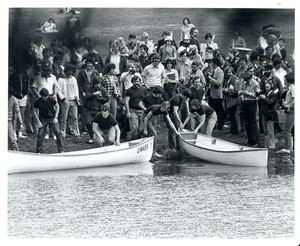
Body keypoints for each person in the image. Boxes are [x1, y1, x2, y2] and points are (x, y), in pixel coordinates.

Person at [33, 88, 64, 153]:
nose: (45, 98)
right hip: (43, 119)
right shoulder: (37, 101)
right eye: (44, 96)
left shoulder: (51, 99)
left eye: (46, 96)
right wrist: (38, 121)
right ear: (41, 96)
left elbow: (57, 106)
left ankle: (61, 151)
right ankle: (39, 151)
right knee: (40, 135)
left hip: (52, 118)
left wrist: (56, 117)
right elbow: (34, 111)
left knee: (58, 133)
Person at [57, 64, 80, 138]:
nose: (70, 72)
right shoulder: (61, 79)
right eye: (69, 70)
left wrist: (77, 98)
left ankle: (76, 132)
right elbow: (58, 90)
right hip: (65, 100)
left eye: (71, 71)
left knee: (75, 117)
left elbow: (76, 89)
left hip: (73, 100)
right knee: (64, 117)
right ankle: (62, 133)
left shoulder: (73, 79)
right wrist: (62, 98)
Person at [84, 77, 109, 144]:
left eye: (99, 84)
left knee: (98, 124)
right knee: (88, 123)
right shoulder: (89, 88)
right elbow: (86, 97)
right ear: (94, 84)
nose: (98, 85)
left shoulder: (103, 89)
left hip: (98, 110)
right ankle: (91, 136)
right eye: (97, 84)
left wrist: (101, 98)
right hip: (90, 109)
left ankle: (99, 136)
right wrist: (94, 94)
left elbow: (106, 99)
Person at [238, 71, 260, 147]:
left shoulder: (255, 84)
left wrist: (247, 93)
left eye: (247, 80)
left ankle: (256, 141)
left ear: (250, 78)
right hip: (245, 102)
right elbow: (239, 91)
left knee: (253, 122)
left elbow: (257, 95)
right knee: (246, 122)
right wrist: (243, 92)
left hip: (252, 103)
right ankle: (250, 140)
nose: (246, 81)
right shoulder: (243, 83)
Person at [277, 73, 294, 154]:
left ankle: (288, 148)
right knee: (288, 129)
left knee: (287, 129)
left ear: (288, 81)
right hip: (289, 109)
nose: (284, 82)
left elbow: (295, 100)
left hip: (291, 111)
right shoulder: (290, 88)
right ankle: (289, 146)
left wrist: (289, 107)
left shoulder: (293, 88)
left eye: (285, 81)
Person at [258, 82, 278, 149]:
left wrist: (264, 98)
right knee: (265, 130)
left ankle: (272, 145)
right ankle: (266, 144)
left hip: (270, 114)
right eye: (265, 87)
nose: (266, 89)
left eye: (268, 87)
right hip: (264, 113)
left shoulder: (274, 94)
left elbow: (271, 102)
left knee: (270, 130)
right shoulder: (265, 94)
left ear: (271, 87)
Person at [207, 57, 225, 130]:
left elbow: (219, 82)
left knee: (219, 110)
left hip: (217, 95)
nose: (211, 64)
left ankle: (220, 125)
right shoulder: (213, 71)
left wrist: (211, 79)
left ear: (215, 64)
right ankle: (213, 125)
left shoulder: (220, 72)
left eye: (212, 63)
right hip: (212, 93)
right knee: (212, 110)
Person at [223, 66, 241, 135]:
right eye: (227, 72)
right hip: (228, 100)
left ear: (232, 72)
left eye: (230, 72)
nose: (228, 74)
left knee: (232, 116)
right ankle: (232, 130)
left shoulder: (235, 80)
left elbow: (236, 92)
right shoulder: (227, 79)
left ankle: (234, 131)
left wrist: (227, 91)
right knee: (231, 116)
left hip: (234, 101)